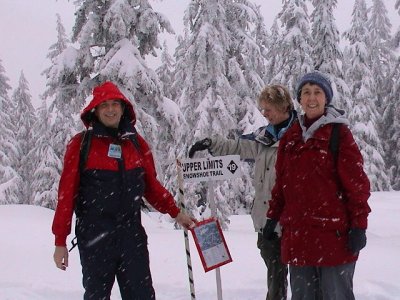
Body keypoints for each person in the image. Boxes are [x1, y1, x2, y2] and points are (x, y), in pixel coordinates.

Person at [52, 81, 195, 300]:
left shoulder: (136, 144)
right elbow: (66, 195)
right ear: (96, 110)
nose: (110, 110)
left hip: (131, 236)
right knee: (96, 296)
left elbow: (151, 186)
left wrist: (176, 213)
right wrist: (60, 241)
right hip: (95, 237)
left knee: (142, 295)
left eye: (115, 104)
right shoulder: (81, 145)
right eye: (104, 105)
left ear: (123, 108)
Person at [263, 71, 371, 300]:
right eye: (306, 93)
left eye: (318, 92)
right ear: (299, 100)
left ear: (326, 98)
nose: (312, 98)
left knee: (336, 296)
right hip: (299, 238)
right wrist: (272, 217)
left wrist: (359, 226)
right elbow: (282, 183)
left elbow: (357, 186)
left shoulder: (339, 134)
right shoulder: (291, 136)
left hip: (333, 238)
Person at [189, 84, 297, 300]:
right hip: (266, 221)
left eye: (269, 109)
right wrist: (212, 143)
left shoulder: (299, 136)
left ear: (284, 106)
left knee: (299, 279)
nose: (264, 114)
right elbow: (237, 146)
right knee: (276, 278)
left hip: (292, 222)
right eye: (263, 109)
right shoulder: (263, 138)